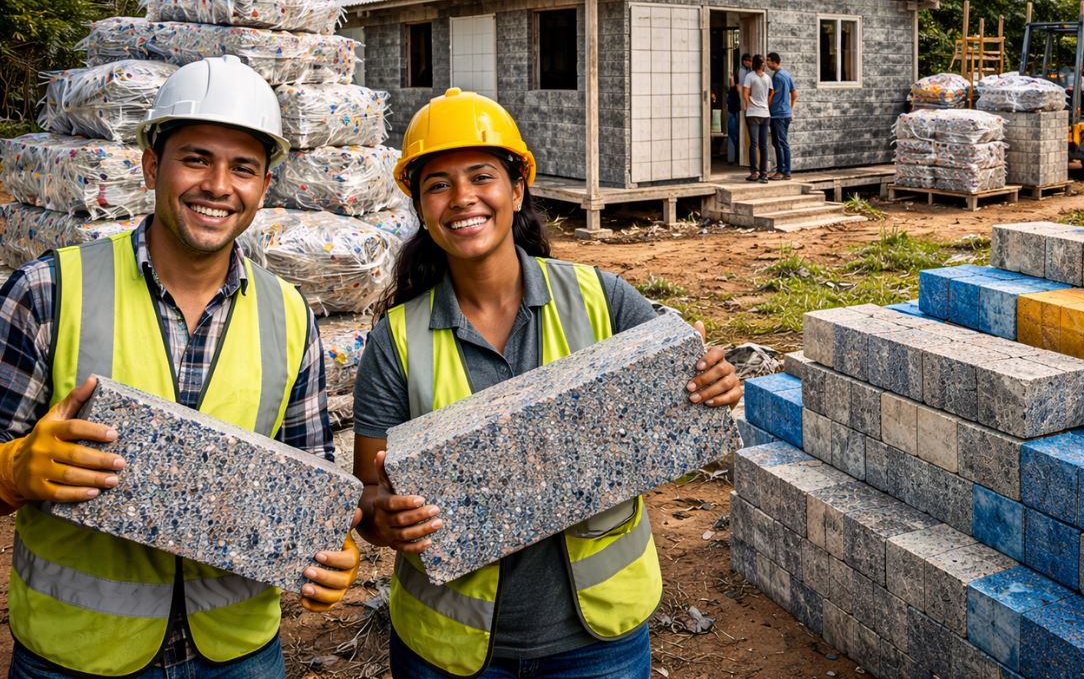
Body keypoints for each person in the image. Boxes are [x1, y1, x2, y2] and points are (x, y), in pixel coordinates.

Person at [351, 88, 743, 679]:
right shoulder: (398, 338)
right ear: (421, 206)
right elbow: (370, 494)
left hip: (595, 641)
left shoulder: (600, 299)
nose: (462, 199)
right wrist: (385, 519)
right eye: (438, 184)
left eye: (481, 176)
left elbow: (679, 408)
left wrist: (712, 387)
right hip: (449, 650)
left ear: (517, 189)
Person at [0, 55, 361, 678]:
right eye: (196, 158)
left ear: (263, 188)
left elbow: (313, 481)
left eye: (243, 168)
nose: (219, 186)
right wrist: (11, 471)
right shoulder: (47, 292)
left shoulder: (290, 316)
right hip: (78, 657)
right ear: (150, 166)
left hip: (239, 653)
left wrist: (331, 546)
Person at [766, 52, 797, 180]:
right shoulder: (786, 74)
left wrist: (766, 107)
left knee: (779, 143)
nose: (767, 64)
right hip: (785, 113)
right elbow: (795, 94)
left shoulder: (778, 77)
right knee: (782, 142)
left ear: (774, 62)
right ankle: (786, 171)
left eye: (768, 61)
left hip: (778, 114)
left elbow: (772, 96)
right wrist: (791, 110)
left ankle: (782, 171)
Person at [741, 54, 772, 183]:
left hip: (753, 113)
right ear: (763, 64)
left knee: (753, 144)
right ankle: (764, 174)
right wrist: (766, 104)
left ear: (753, 64)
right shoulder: (767, 78)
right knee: (763, 145)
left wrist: (748, 105)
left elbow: (745, 93)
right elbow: (771, 92)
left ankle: (754, 172)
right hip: (765, 113)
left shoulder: (749, 76)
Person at [725, 72, 742, 164]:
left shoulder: (736, 90)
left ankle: (733, 158)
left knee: (733, 135)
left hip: (735, 112)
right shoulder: (733, 90)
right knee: (733, 135)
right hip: (734, 112)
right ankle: (733, 158)